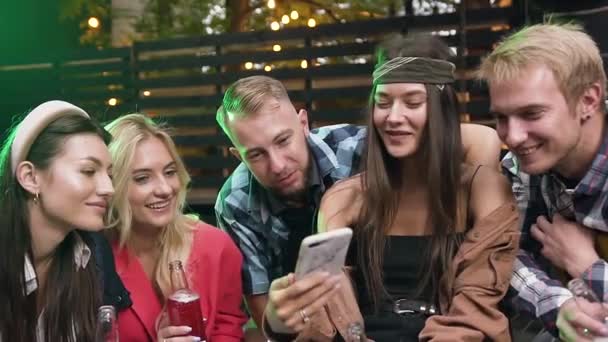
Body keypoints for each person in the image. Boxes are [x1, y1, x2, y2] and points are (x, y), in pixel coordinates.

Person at [262, 33, 520, 341]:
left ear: (442, 111)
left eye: (412, 102)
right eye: (383, 103)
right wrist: (281, 320)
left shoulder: (485, 189)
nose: (393, 117)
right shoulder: (345, 198)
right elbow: (328, 312)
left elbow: (475, 311)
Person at [214, 74, 505, 328]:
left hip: (388, 300)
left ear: (304, 124)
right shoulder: (235, 203)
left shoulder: (355, 148)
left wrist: (470, 229)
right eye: (256, 154)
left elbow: (481, 139)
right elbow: (265, 310)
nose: (277, 165)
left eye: (283, 141)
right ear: (238, 156)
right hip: (311, 319)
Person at [477, 23, 608, 341]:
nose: (514, 136)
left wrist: (585, 264)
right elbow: (503, 253)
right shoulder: (520, 167)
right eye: (502, 118)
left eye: (532, 114)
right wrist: (558, 305)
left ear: (588, 100)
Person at [104, 114, 246, 342]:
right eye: (142, 178)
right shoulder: (90, 261)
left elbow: (227, 330)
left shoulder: (215, 246)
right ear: (111, 185)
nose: (165, 189)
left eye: (170, 172)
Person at [0, 100, 131, 341]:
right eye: (89, 171)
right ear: (30, 177)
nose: (109, 188)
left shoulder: (94, 254)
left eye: (109, 175)